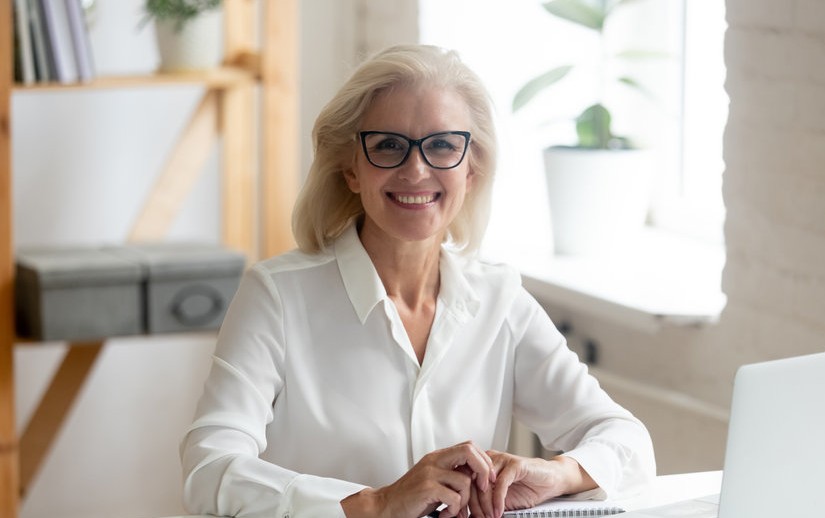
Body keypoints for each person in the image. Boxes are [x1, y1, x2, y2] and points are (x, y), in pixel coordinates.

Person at [180, 44, 655, 518]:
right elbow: (210, 471)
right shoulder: (277, 296)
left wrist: (556, 474)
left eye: (443, 145)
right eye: (388, 145)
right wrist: (374, 504)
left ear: (472, 169)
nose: (415, 170)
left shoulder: (499, 300)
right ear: (350, 168)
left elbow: (626, 440)